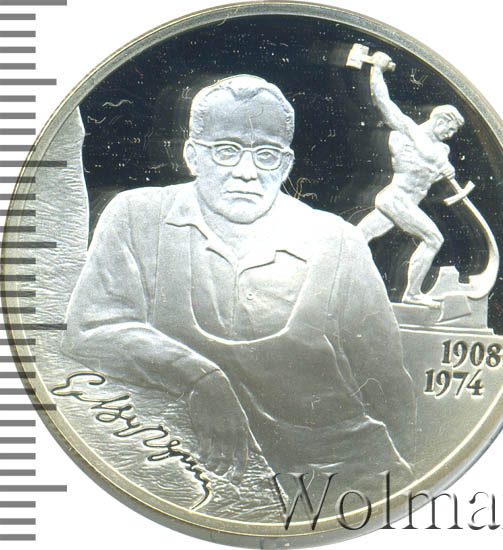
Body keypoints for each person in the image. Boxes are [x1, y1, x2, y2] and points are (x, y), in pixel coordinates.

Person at [62, 75, 415, 493]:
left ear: (285, 165)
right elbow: (90, 328)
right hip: (204, 469)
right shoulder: (137, 217)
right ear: (193, 156)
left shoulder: (337, 240)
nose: (246, 172)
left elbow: (386, 383)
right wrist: (198, 377)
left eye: (266, 155)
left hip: (345, 472)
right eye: (227, 151)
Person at [358, 52, 464, 308]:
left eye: (453, 132)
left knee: (356, 238)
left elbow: (431, 175)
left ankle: (330, 274)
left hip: (403, 204)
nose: (450, 135)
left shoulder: (443, 150)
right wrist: (377, 70)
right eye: (449, 129)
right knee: (434, 239)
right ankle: (413, 293)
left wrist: (447, 172)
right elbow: (383, 103)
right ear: (438, 120)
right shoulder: (409, 131)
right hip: (398, 199)